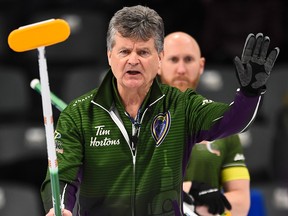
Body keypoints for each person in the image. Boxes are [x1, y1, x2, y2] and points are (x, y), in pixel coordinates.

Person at [40, 5, 279, 216]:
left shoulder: (181, 105)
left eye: (143, 52)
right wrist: (61, 209)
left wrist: (249, 94)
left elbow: (229, 121)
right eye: (124, 51)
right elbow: (63, 176)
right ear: (109, 56)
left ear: (160, 58)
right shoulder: (79, 114)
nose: (133, 60)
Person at [159, 31, 250, 215]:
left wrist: (189, 201)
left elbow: (241, 203)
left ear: (201, 66)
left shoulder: (224, 127)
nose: (181, 69)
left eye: (188, 59)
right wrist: (192, 190)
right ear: (158, 64)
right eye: (174, 60)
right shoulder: (137, 119)